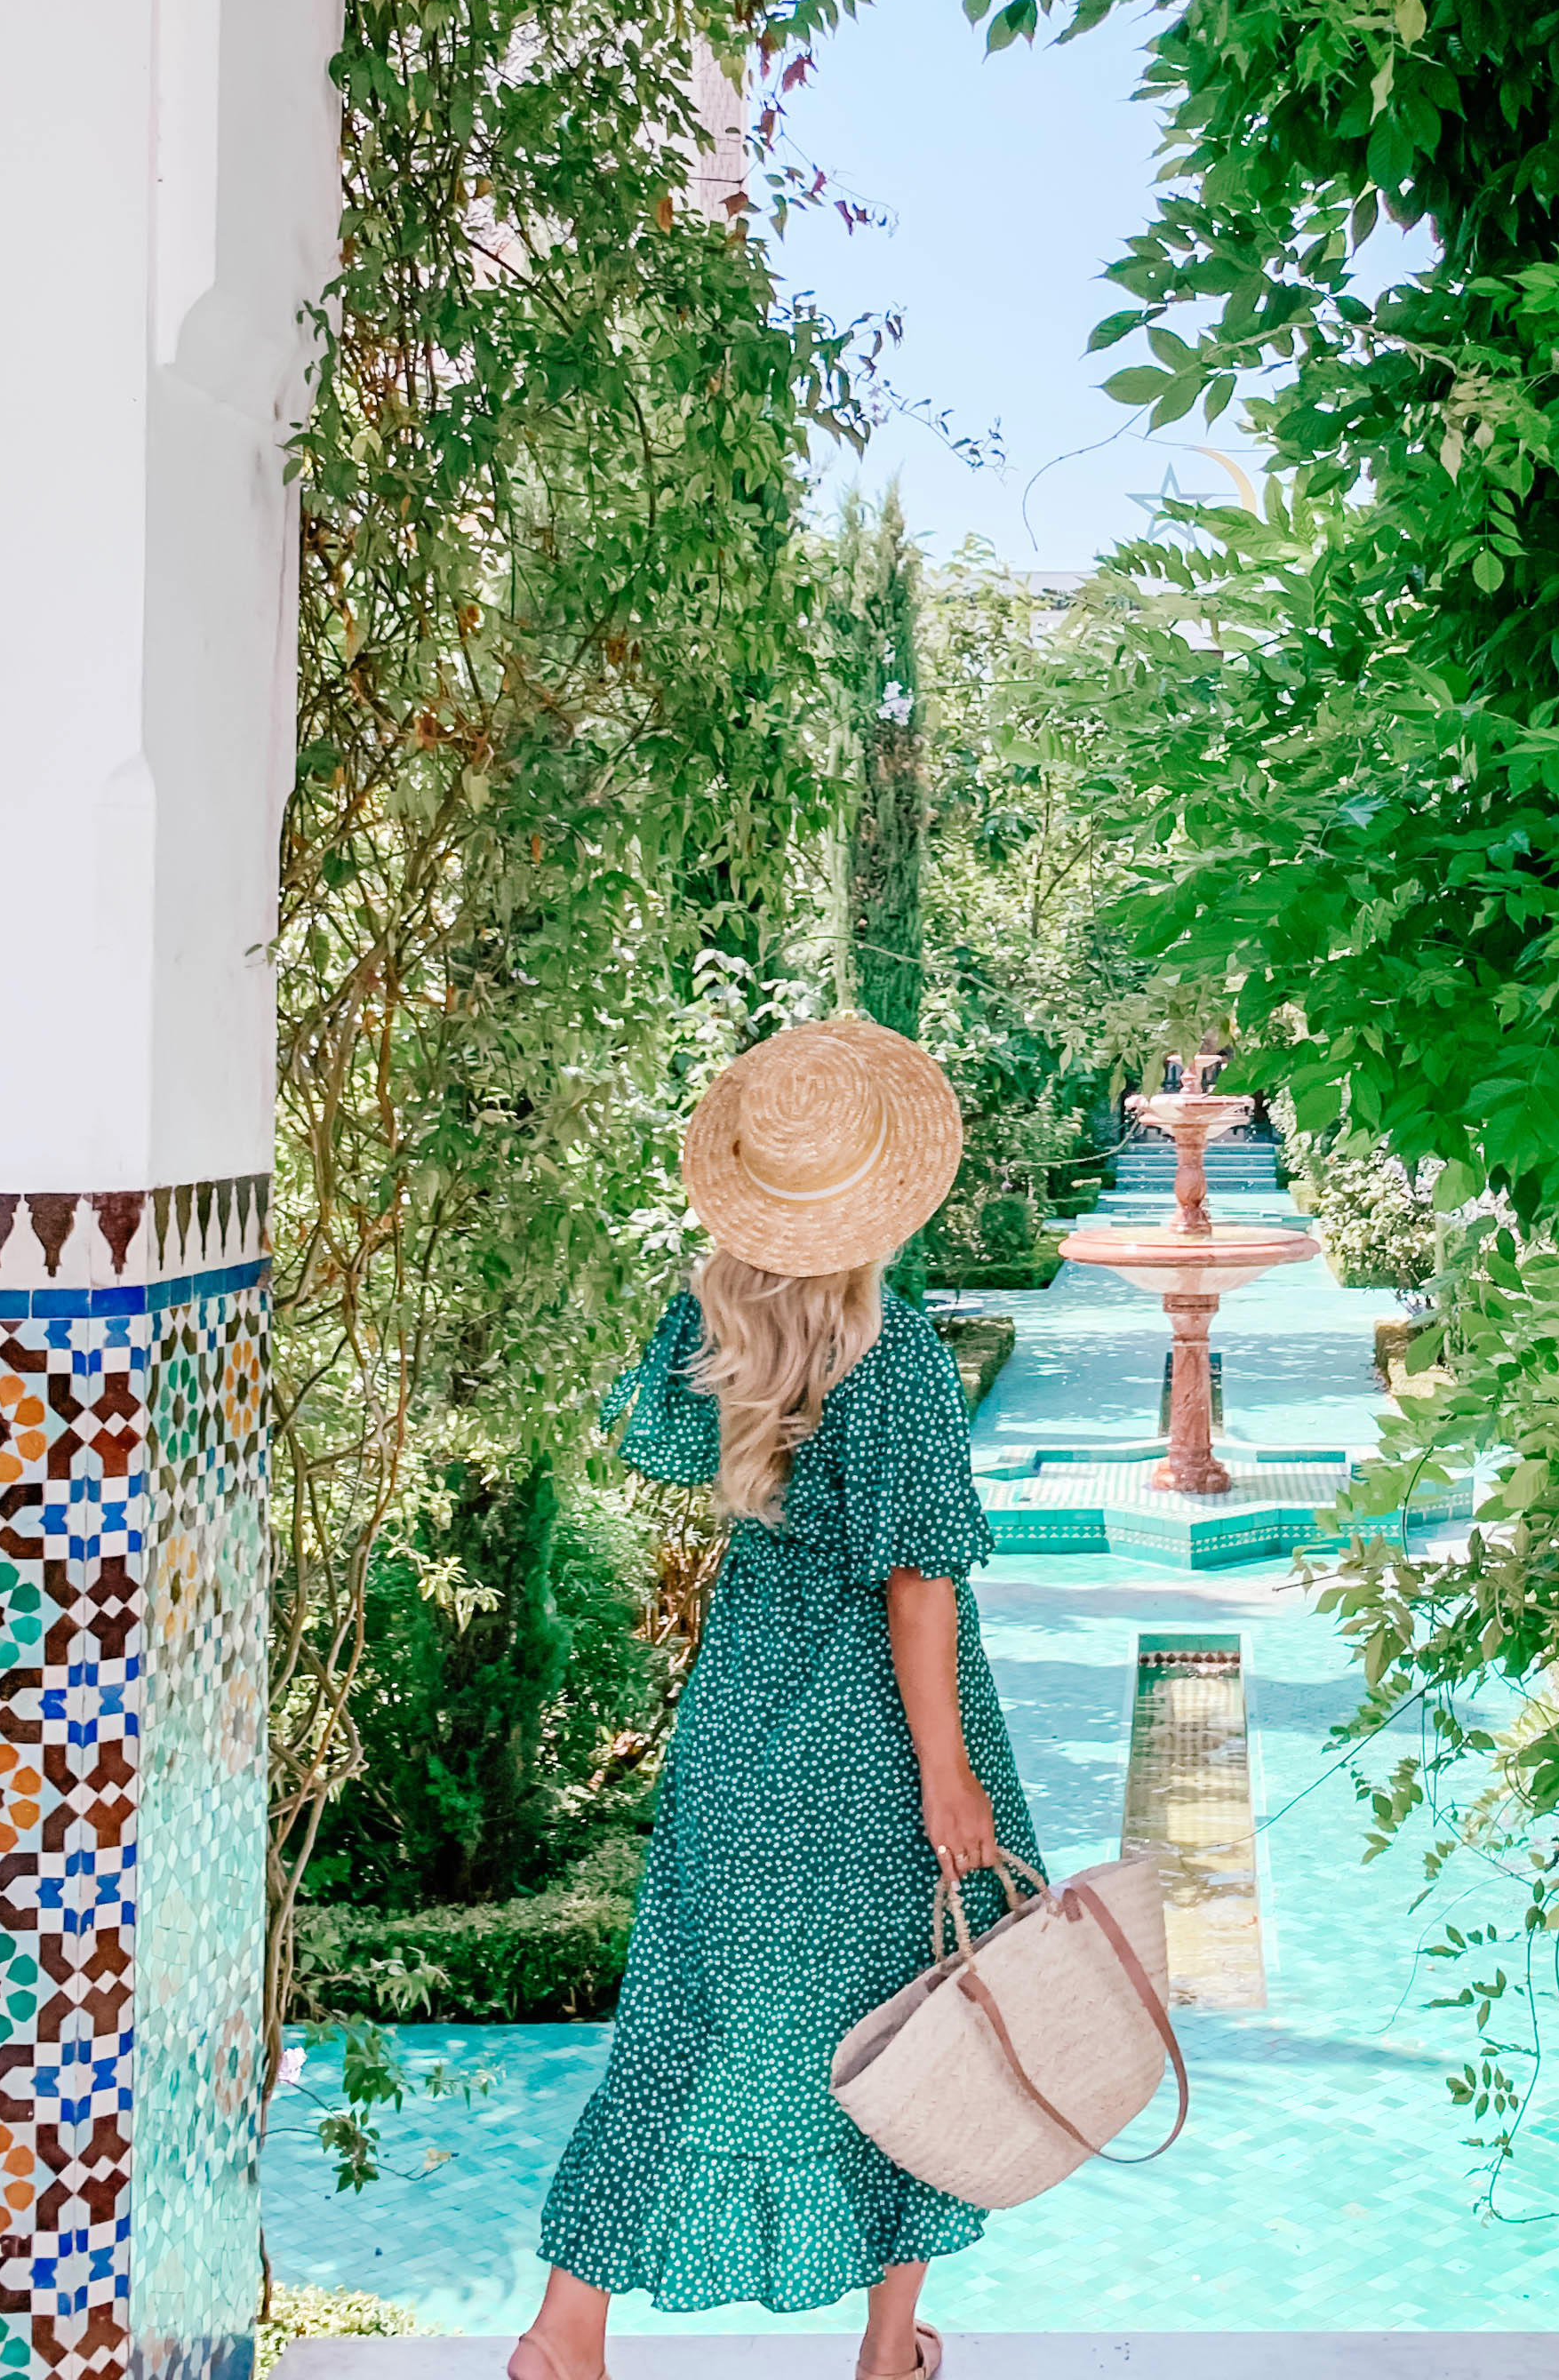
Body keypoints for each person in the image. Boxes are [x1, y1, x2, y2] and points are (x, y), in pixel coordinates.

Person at [510, 1015, 1038, 2380]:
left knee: (682, 2018)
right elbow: (917, 1582)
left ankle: (566, 2335)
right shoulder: (901, 1354)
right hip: (871, 1740)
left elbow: (659, 1441)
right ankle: (884, 2344)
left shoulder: (717, 1325)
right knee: (918, 2019)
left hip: (743, 1728)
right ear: (881, 1192)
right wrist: (949, 1775)